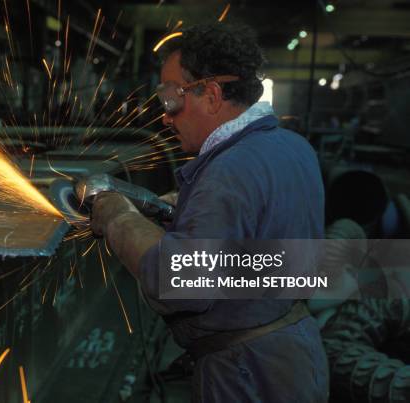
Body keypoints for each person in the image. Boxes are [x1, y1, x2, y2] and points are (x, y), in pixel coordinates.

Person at [90, 23, 329, 402]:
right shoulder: (292, 146)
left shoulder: (228, 170)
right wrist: (184, 208)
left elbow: (183, 282)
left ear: (213, 95)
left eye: (172, 98)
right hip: (296, 350)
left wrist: (118, 217)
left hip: (246, 372)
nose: (166, 117)